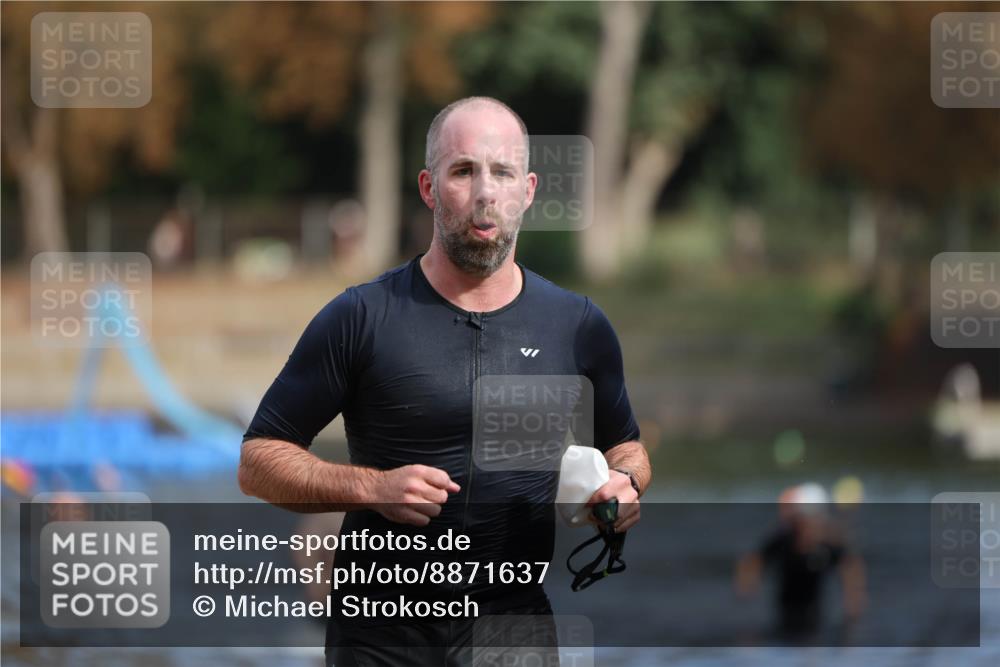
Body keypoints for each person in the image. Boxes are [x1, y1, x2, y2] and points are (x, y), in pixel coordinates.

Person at [238, 96, 651, 666]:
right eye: (463, 171)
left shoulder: (578, 325)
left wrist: (623, 486)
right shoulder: (362, 316)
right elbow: (258, 461)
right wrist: (373, 489)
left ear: (527, 191)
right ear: (430, 189)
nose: (485, 192)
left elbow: (626, 447)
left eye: (502, 172)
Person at [734, 483, 866, 643]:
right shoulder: (783, 540)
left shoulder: (829, 545)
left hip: (814, 613)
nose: (812, 526)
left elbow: (850, 565)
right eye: (805, 520)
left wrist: (854, 601)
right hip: (785, 612)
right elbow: (754, 559)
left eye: (816, 520)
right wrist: (747, 586)